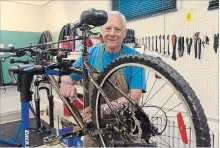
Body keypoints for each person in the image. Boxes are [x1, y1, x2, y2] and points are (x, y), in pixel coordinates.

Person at [60, 10, 146, 123]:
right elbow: (70, 77)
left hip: (124, 125)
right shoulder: (90, 54)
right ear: (102, 31)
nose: (112, 33)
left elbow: (134, 97)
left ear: (124, 33)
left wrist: (102, 110)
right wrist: (66, 84)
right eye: (108, 28)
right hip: (93, 123)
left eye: (118, 29)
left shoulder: (135, 59)